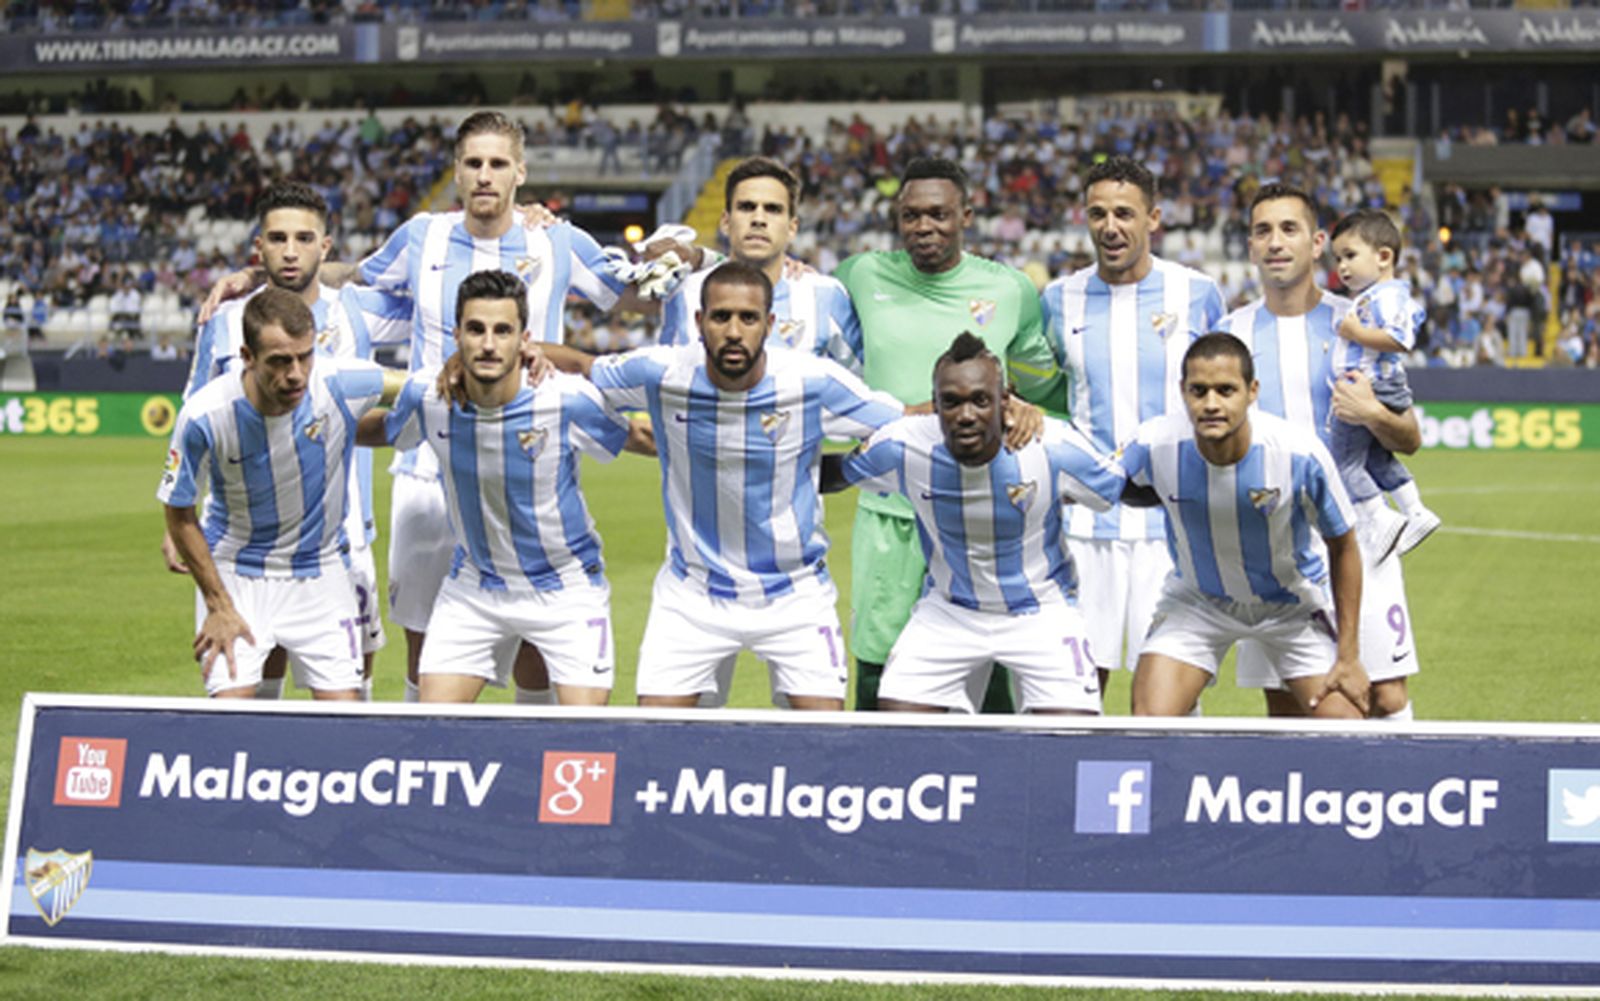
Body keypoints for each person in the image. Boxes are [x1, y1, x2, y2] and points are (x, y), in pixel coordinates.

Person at [355, 110, 629, 704]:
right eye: (473, 163)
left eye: (498, 164)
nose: (485, 175)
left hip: (531, 451)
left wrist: (699, 255)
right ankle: (426, 740)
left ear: (519, 173)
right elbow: (350, 279)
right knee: (424, 635)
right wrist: (255, 275)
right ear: (456, 171)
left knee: (536, 634)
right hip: (430, 460)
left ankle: (532, 735)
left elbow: (632, 288)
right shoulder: (420, 236)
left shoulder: (556, 240)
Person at [547, 262, 903, 710]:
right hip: (693, 592)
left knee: (825, 736)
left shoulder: (812, 381)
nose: (734, 332)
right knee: (652, 733)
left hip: (795, 593)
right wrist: (513, 356)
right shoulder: (663, 372)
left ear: (769, 324)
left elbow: (902, 424)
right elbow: (582, 366)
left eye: (748, 318)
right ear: (699, 322)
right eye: (721, 317)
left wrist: (847, 470)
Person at [834, 156, 1065, 712]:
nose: (924, 227)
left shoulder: (1010, 290)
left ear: (966, 215)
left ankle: (992, 766)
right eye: (911, 216)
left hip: (982, 507)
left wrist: (1030, 407)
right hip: (892, 507)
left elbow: (1046, 384)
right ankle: (875, 762)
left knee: (991, 654)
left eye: (938, 214)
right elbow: (776, 287)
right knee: (877, 655)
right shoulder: (861, 275)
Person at [360, 271, 645, 705]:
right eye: (476, 330)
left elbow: (640, 439)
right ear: (457, 336)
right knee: (430, 726)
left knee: (583, 736)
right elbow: (381, 430)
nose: (489, 344)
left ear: (524, 340)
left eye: (503, 331)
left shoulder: (565, 399)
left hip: (566, 589)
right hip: (475, 587)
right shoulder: (430, 398)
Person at [176, 180, 410, 700]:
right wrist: (178, 524)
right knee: (256, 669)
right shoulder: (227, 320)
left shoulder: (358, 309)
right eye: (277, 239)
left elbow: (445, 298)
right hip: (244, 532)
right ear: (258, 246)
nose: (289, 251)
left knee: (352, 684)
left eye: (303, 239)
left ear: (324, 246)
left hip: (341, 533)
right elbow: (194, 415)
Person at [820, 332, 1129, 715]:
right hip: (949, 611)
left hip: (1042, 612)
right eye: (951, 402)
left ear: (1005, 401)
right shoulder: (903, 445)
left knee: (1072, 736)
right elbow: (837, 475)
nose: (966, 415)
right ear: (934, 405)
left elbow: (1118, 484)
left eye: (981, 401)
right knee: (898, 730)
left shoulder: (1053, 447)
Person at [1218, 182, 1423, 720]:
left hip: (1358, 536)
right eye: (1263, 231)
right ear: (1250, 245)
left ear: (1317, 243)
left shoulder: (1359, 322)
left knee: (1385, 695)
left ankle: (1400, 778)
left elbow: (1409, 438)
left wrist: (1374, 413)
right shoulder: (1231, 336)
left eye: (1290, 229)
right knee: (1290, 704)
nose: (1275, 242)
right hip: (1273, 547)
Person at [1040, 155, 1224, 699]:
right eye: (1098, 213)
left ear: (1154, 219)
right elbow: (1039, 391)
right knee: (1072, 695)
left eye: (1124, 213)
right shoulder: (1058, 299)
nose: (1110, 226)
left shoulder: (1196, 293)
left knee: (1165, 705)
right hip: (1082, 527)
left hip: (1173, 529)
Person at [1126, 333, 1369, 719]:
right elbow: (1094, 481)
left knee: (1345, 726)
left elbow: (1344, 545)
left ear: (1252, 391)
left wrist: (1349, 657)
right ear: (1182, 391)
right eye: (1198, 391)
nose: (1211, 404)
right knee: (1149, 723)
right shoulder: (1152, 443)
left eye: (1226, 390)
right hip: (1198, 600)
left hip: (1292, 605)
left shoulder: (1299, 454)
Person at [660, 157, 861, 371]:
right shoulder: (685, 295)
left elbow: (858, 381)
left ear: (792, 228)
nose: (758, 219)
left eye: (773, 209)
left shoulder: (825, 296)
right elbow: (668, 381)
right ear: (725, 222)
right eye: (747, 207)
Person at [1328, 208, 1442, 557]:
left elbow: (1400, 339)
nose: (1342, 267)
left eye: (1350, 256)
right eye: (1338, 259)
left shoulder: (1388, 296)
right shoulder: (1370, 295)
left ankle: (1379, 517)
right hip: (1375, 383)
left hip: (1372, 386)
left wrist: (1355, 332)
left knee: (1343, 462)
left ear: (1383, 257)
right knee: (1376, 459)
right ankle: (1415, 511)